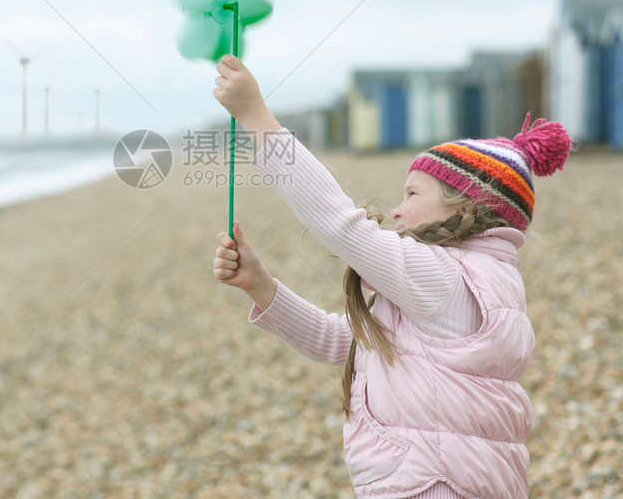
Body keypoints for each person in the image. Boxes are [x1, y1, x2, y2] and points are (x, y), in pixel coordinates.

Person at [211, 55, 572, 499]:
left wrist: (255, 117)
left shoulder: (442, 278)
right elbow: (339, 342)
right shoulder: (464, 283)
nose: (398, 210)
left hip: (433, 483)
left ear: (466, 207)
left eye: (413, 193)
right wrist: (261, 285)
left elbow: (340, 224)